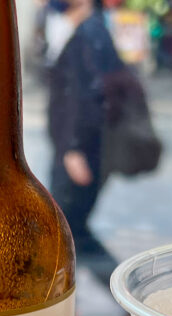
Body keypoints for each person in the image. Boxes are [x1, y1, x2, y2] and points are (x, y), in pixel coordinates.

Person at [47, 0, 123, 287]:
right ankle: (61, 294)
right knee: (66, 228)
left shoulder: (90, 34)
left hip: (79, 152)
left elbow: (90, 97)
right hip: (70, 149)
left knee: (69, 228)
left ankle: (124, 295)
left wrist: (74, 148)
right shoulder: (80, 30)